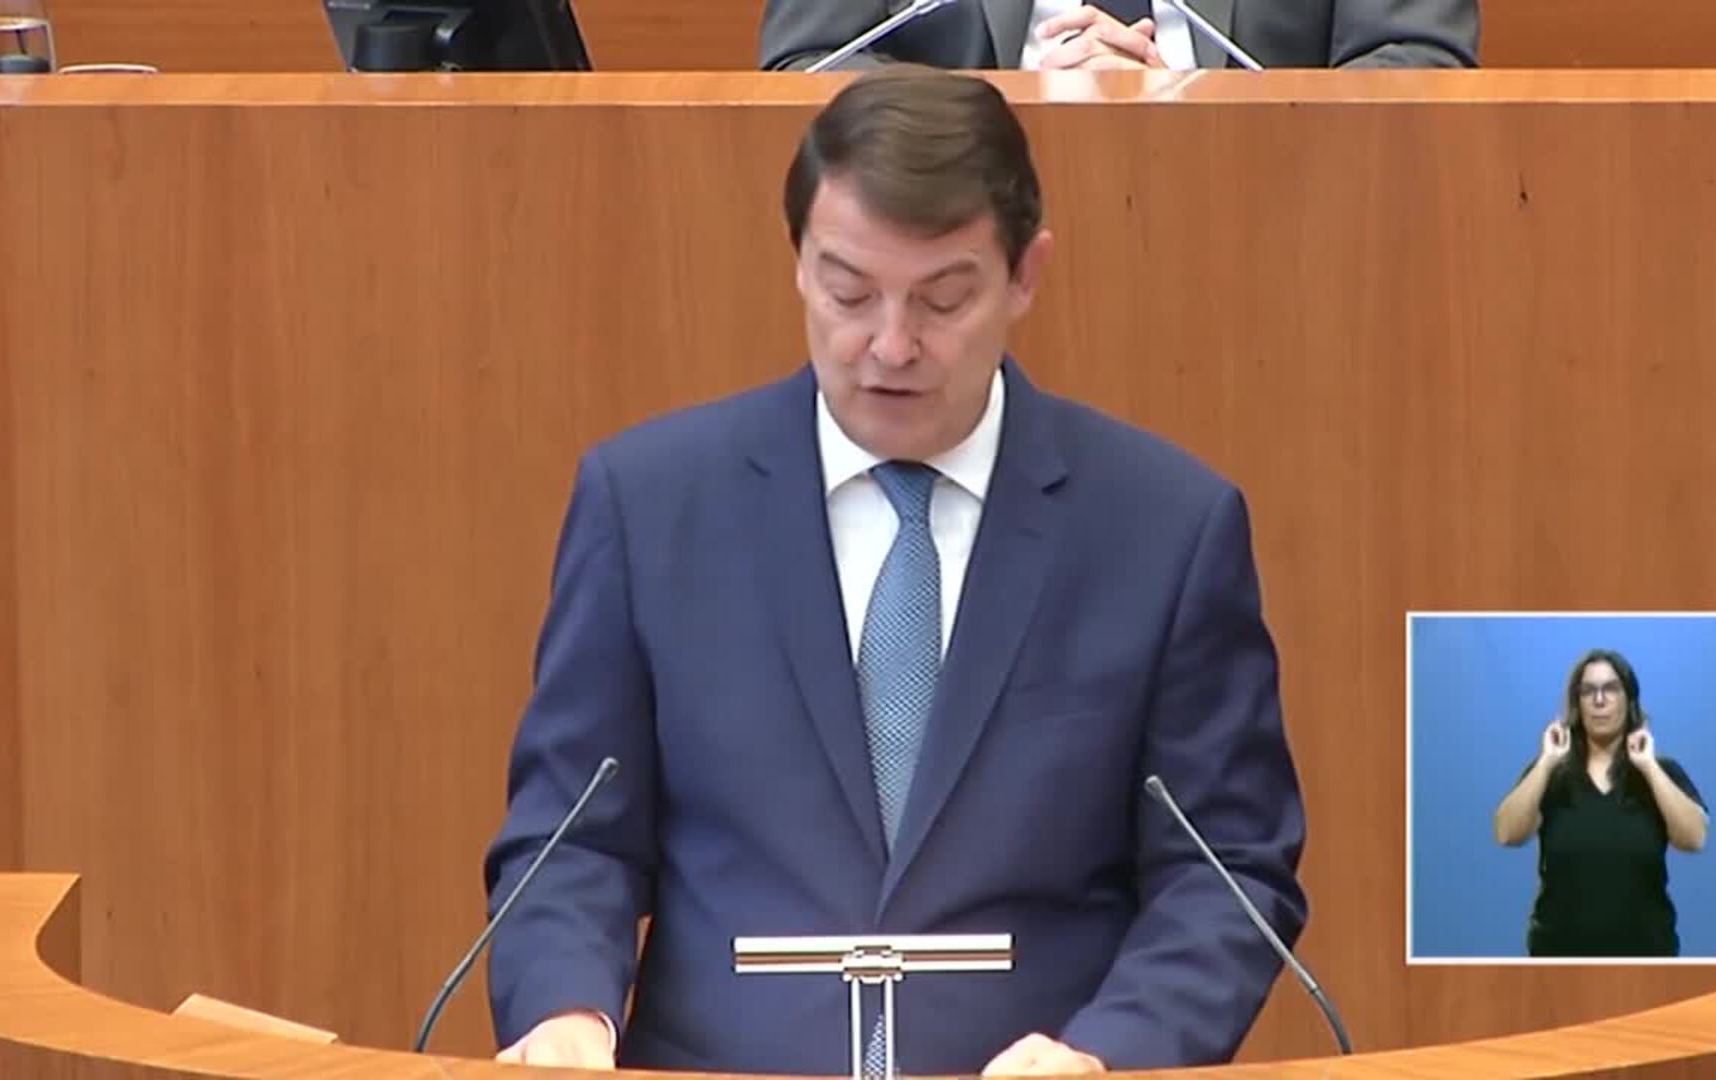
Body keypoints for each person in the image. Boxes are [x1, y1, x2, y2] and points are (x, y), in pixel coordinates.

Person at [482, 66, 1307, 1073]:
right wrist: (568, 1012)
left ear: (1026, 275)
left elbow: (1225, 871)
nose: (891, 344)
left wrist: (1110, 1051)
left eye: (942, 299)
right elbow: (573, 834)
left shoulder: (1163, 527)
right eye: (849, 292)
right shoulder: (650, 504)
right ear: (798, 263)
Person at [1492, 649, 1709, 957]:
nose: (1599, 700)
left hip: (1646, 955)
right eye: (1588, 691)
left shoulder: (1661, 772)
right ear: (1577, 703)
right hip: (1558, 955)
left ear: (1629, 700)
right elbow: (1507, 834)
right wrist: (1546, 762)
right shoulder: (1553, 774)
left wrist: (1648, 766)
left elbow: (1694, 838)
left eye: (1610, 689)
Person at [760, 0, 1479, 73]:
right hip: (942, 227)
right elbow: (805, 64)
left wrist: (1196, 109)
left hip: (1272, 226)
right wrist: (992, 112)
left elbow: (1422, 59)